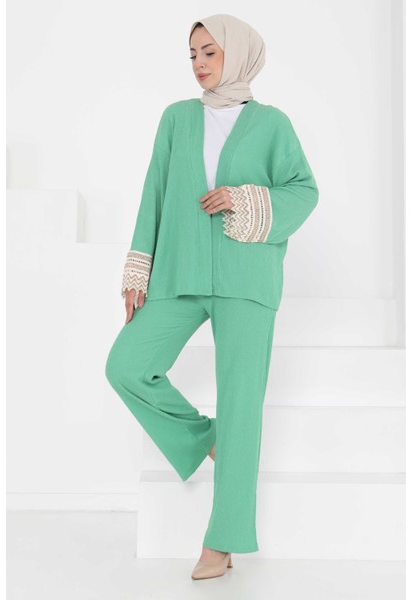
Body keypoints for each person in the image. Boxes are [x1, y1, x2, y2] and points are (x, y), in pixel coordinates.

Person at [105, 13, 319, 580]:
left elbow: (303, 190)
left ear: (238, 54)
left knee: (241, 403)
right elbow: (154, 191)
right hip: (179, 272)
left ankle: (223, 542)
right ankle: (208, 439)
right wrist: (138, 267)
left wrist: (245, 198)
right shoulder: (176, 118)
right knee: (127, 365)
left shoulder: (272, 124)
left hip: (246, 279)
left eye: (210, 52)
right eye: (193, 54)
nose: (199, 64)